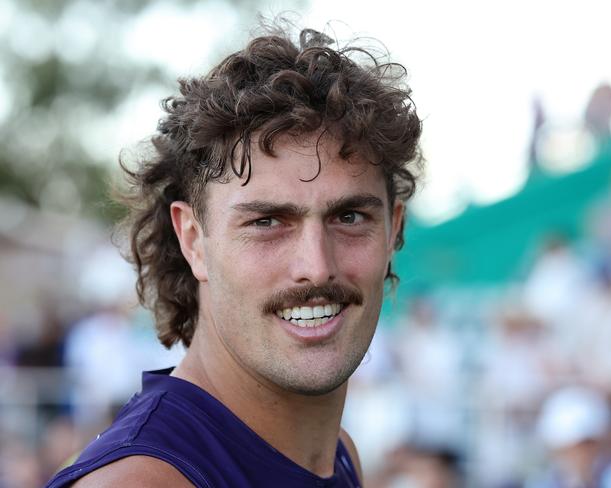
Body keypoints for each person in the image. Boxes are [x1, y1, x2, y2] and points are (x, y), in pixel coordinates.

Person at [46, 22, 422, 488]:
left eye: (349, 217)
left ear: (393, 231)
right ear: (192, 239)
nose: (317, 266)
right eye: (266, 222)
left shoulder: (339, 455)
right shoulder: (142, 482)